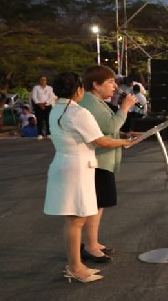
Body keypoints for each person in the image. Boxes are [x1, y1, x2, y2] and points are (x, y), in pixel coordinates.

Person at [43, 72, 131, 283]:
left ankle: (76, 264)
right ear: (78, 90)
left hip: (65, 164)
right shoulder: (77, 112)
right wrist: (125, 142)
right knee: (76, 220)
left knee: (75, 220)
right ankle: (75, 267)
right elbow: (100, 140)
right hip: (77, 168)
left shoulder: (57, 109)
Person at [78, 65, 138, 264]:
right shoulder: (91, 102)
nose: (114, 86)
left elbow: (107, 128)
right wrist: (125, 107)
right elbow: (110, 125)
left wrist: (123, 135)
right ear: (96, 85)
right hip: (97, 162)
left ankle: (92, 242)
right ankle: (90, 246)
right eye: (110, 82)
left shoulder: (96, 101)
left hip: (100, 161)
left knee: (99, 204)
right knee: (96, 205)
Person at [31, 75, 56, 139]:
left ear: (46, 81)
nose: (43, 81)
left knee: (48, 120)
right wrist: (39, 104)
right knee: (39, 120)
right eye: (41, 80)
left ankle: (48, 133)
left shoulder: (50, 88)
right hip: (38, 106)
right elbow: (34, 97)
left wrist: (45, 103)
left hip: (47, 105)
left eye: (44, 80)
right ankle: (40, 134)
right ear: (39, 80)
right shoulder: (36, 88)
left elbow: (51, 97)